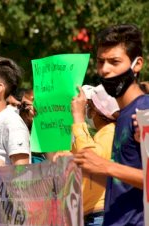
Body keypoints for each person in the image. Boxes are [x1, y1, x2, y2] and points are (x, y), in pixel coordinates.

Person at [73, 24, 149, 225]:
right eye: (100, 62)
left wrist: (106, 166)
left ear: (137, 64)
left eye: (114, 62)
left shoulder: (145, 111)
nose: (105, 69)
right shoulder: (125, 115)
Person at [57, 85, 119, 225]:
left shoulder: (110, 131)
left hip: (100, 214)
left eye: (88, 107)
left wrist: (78, 118)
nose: (87, 112)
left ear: (96, 111)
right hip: (93, 214)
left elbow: (90, 157)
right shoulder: (103, 134)